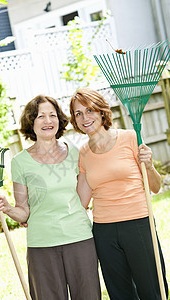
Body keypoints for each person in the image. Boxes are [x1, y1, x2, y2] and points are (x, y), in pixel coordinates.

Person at [0, 95, 101, 300]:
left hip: (79, 238)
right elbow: (23, 210)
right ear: (32, 122)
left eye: (52, 115)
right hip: (42, 244)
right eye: (41, 116)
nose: (48, 121)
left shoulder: (75, 153)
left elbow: (86, 194)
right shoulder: (20, 162)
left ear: (59, 120)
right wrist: (7, 207)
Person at [69, 87, 169, 300]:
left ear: (101, 111)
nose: (84, 117)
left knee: (152, 288)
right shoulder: (84, 154)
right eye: (78, 113)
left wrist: (149, 166)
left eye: (89, 110)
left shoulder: (130, 138)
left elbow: (155, 187)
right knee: (120, 293)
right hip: (104, 231)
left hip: (138, 223)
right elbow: (81, 202)